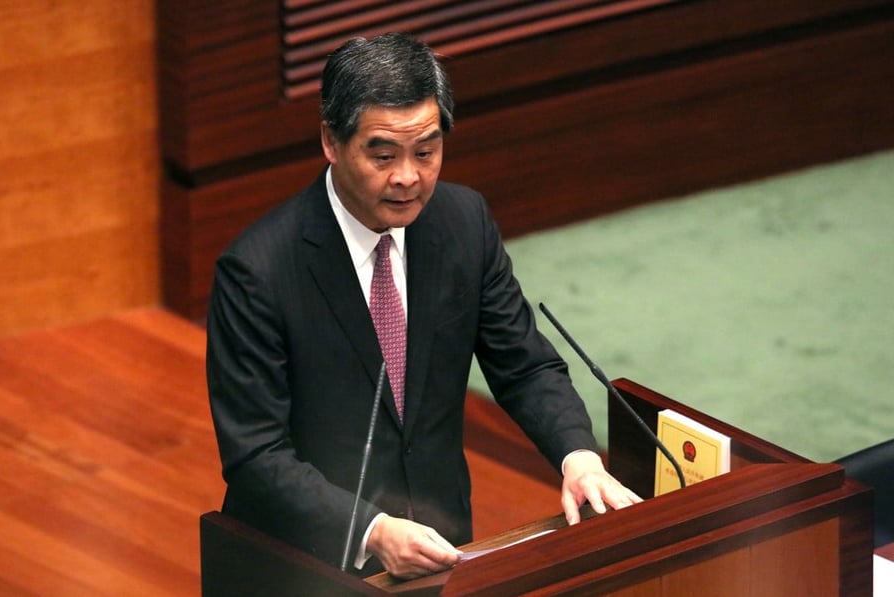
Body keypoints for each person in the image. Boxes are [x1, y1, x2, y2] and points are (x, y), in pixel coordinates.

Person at [205, 32, 641, 580]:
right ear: (330, 141)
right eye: (383, 155)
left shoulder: (464, 224)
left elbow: (524, 366)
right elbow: (256, 456)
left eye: (426, 151)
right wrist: (372, 530)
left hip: (440, 549)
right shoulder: (259, 271)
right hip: (308, 566)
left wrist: (576, 454)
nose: (408, 176)